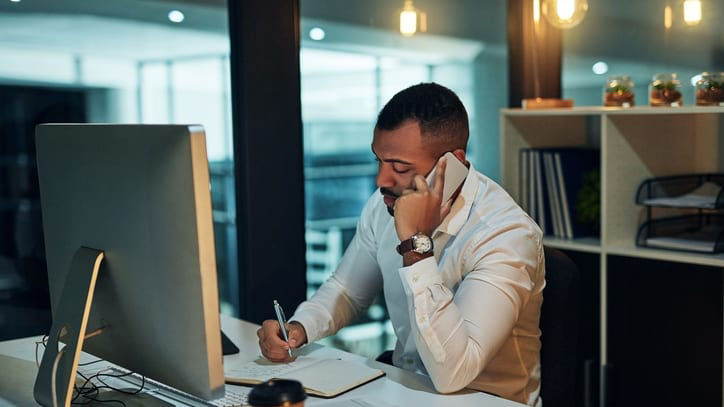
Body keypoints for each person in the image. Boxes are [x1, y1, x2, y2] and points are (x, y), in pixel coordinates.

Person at [257, 82, 545, 406]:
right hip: (405, 390)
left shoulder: (506, 234)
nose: (381, 180)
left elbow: (453, 373)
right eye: (379, 161)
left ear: (451, 165)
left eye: (400, 167)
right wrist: (298, 327)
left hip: (487, 400)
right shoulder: (384, 206)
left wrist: (415, 244)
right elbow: (348, 290)